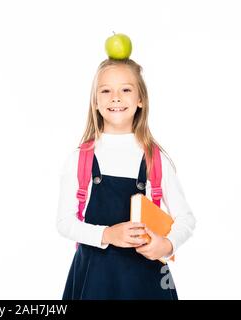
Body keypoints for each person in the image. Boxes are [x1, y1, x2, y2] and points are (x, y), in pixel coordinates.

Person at [57, 58, 196, 299]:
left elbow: (186, 218)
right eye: (106, 90)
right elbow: (64, 223)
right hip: (95, 280)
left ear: (140, 99)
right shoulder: (81, 158)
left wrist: (167, 244)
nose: (116, 97)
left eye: (126, 89)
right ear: (96, 102)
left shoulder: (155, 159)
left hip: (146, 280)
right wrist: (107, 235)